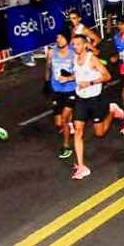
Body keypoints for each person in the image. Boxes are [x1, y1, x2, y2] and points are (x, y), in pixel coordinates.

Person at [71, 34, 122, 180]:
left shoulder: (91, 59)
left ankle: (112, 110)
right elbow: (78, 75)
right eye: (74, 44)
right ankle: (81, 166)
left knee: (99, 133)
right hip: (81, 99)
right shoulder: (75, 58)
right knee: (78, 131)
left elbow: (107, 76)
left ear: (85, 45)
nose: (76, 47)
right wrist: (68, 78)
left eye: (78, 44)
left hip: (95, 98)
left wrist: (90, 83)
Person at [45, 31, 77, 159]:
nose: (58, 40)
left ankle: (66, 145)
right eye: (57, 37)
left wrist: (69, 78)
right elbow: (48, 68)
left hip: (71, 89)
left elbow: (79, 72)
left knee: (63, 119)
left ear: (67, 39)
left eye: (61, 37)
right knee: (58, 123)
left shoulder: (74, 54)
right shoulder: (52, 52)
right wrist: (46, 83)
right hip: (56, 89)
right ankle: (70, 123)